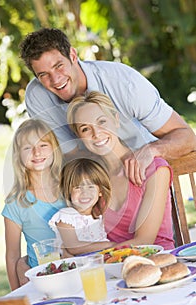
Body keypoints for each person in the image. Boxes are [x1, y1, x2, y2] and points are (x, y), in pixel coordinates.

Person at [19, 28, 196, 186]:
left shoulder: (124, 83)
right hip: (99, 184)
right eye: (43, 75)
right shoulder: (37, 97)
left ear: (73, 56)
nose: (56, 80)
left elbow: (187, 137)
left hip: (146, 177)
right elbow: (71, 155)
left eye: (59, 66)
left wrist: (152, 150)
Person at [66, 91, 175, 250]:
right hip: (113, 268)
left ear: (116, 120)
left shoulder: (155, 169)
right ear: (79, 137)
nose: (96, 134)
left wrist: (102, 251)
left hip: (157, 263)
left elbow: (145, 241)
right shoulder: (92, 181)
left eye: (101, 121)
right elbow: (80, 234)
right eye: (85, 129)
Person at [2, 119, 66, 290]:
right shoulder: (16, 203)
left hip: (74, 272)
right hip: (39, 281)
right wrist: (17, 297)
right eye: (28, 148)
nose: (37, 152)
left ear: (54, 149)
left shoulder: (70, 188)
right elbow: (12, 255)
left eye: (43, 145)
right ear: (18, 156)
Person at [49, 158, 117, 255]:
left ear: (100, 191)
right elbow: (74, 248)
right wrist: (109, 245)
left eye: (90, 187)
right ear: (68, 191)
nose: (85, 193)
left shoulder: (98, 216)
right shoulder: (66, 216)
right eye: (78, 187)